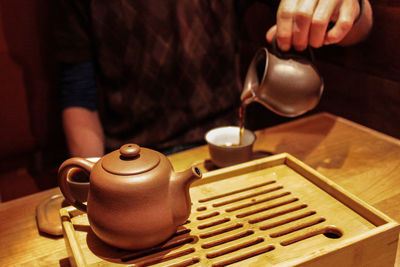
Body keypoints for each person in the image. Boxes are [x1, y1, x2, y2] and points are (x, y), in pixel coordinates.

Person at [55, 0, 373, 158]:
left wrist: (353, 8)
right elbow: (78, 92)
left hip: (226, 143)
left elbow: (362, 26)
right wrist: (97, 176)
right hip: (133, 155)